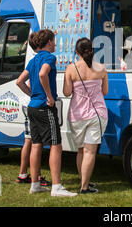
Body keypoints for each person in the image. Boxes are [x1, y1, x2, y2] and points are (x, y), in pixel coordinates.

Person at [16, 29, 76, 197]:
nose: (56, 44)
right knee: (56, 145)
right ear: (49, 42)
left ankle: (35, 183)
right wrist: (48, 96)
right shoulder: (49, 57)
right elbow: (43, 74)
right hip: (45, 107)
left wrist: (33, 94)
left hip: (33, 107)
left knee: (36, 144)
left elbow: (20, 81)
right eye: (54, 41)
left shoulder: (33, 60)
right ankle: (56, 186)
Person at [63, 37, 109, 194]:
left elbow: (67, 92)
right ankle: (84, 186)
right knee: (90, 152)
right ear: (92, 51)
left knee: (81, 151)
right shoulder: (101, 68)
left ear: (77, 52)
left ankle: (84, 182)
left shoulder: (71, 69)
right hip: (97, 114)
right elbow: (105, 92)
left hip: (77, 115)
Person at [16, 32, 51, 187]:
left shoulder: (31, 58)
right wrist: (36, 94)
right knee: (36, 142)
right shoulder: (41, 59)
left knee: (28, 140)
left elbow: (19, 81)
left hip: (27, 103)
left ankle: (23, 173)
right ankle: (35, 176)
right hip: (35, 102)